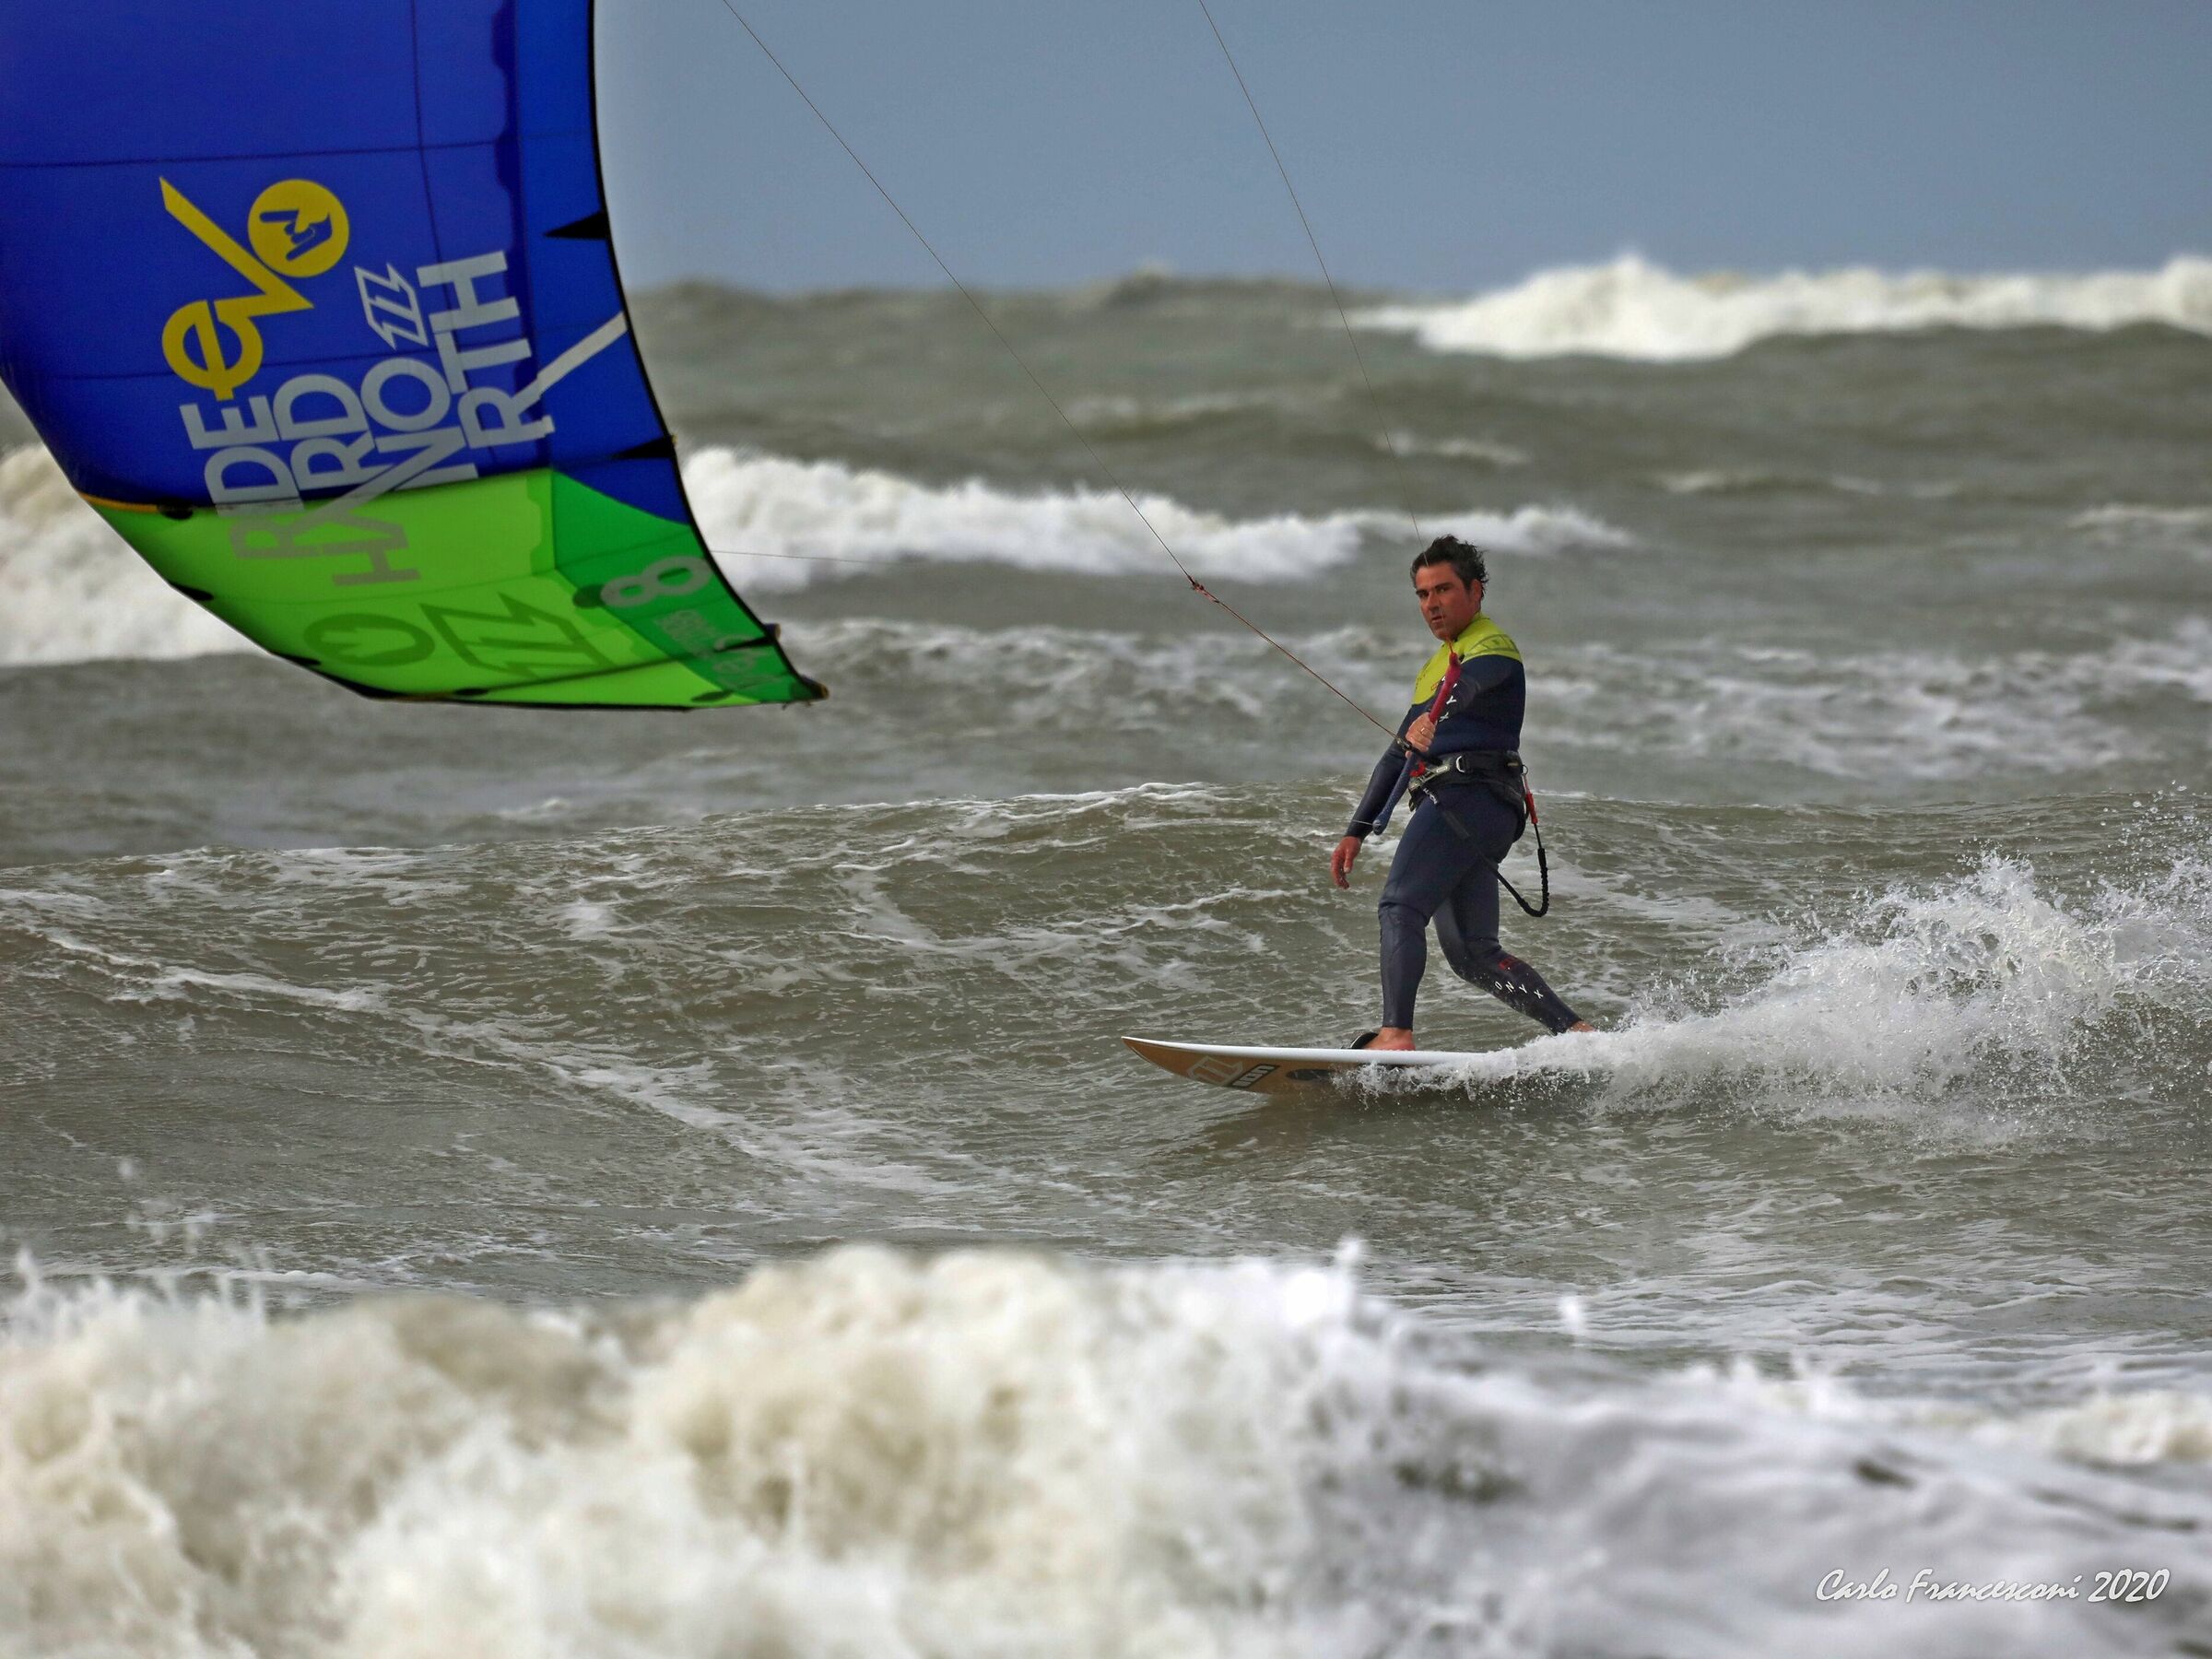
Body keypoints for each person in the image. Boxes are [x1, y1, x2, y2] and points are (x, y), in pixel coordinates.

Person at [1328, 535, 1593, 1049]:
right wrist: (1356, 831)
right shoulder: (1434, 666)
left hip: (1469, 796)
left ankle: (1395, 1034)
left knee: (1400, 907)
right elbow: (1396, 754)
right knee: (1473, 953)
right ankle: (1580, 1036)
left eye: (1444, 589)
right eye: (1423, 594)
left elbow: (1469, 688)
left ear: (1475, 591)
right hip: (1475, 808)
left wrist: (1437, 717)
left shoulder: (1493, 646)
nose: (1432, 604)